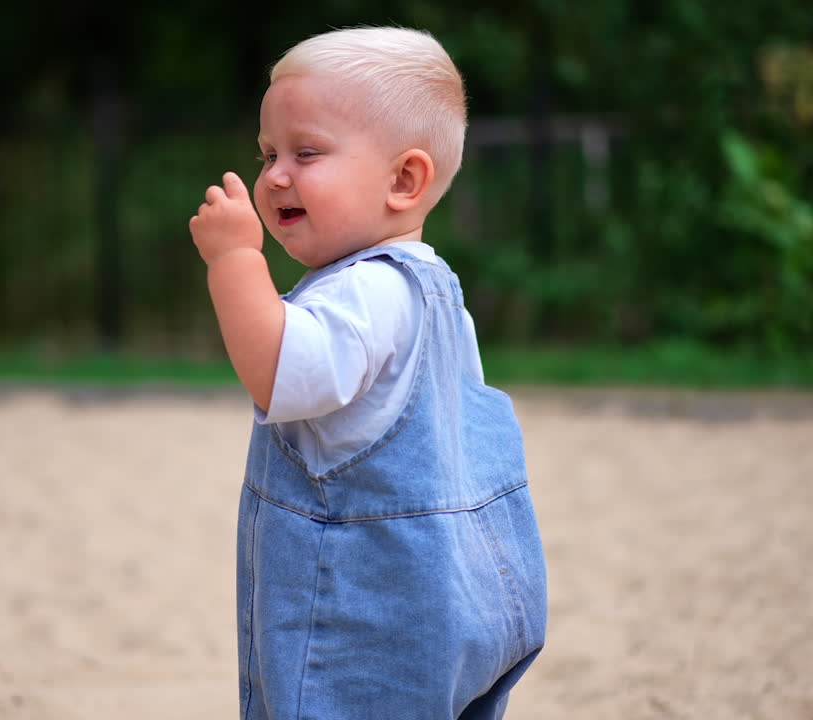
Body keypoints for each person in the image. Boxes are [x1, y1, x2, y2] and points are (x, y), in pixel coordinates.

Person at [189, 26, 546, 720]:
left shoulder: (363, 294)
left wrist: (234, 261)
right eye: (267, 154)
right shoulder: (436, 290)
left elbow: (279, 370)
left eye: (307, 152)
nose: (275, 176)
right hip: (463, 589)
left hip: (370, 618)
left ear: (404, 179)